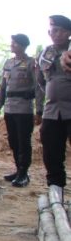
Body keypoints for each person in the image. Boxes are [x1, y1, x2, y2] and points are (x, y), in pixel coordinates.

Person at [0, 34, 38, 187]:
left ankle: (23, 173)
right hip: (9, 108)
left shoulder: (31, 63)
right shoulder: (8, 63)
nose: (11, 45)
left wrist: (39, 110)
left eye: (15, 43)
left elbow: (38, 87)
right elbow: (2, 87)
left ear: (23, 45)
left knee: (23, 141)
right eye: (11, 42)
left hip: (24, 108)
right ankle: (18, 169)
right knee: (13, 141)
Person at [37, 15, 71, 189]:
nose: (56, 34)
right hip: (51, 111)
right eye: (53, 31)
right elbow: (41, 82)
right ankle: (56, 190)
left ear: (68, 33)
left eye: (61, 31)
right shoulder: (45, 53)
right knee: (51, 152)